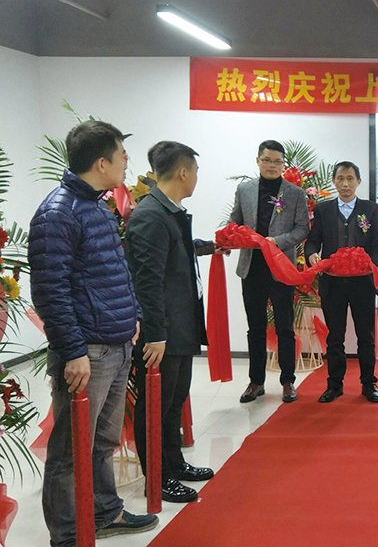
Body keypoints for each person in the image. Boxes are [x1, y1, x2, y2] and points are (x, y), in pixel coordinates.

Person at [29, 121, 158, 546]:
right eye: (122, 155)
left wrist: (133, 316)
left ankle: (104, 513)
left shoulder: (97, 207)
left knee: (102, 441)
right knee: (70, 450)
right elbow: (50, 291)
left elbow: (116, 271)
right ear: (102, 163)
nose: (127, 163)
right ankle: (67, 534)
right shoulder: (58, 213)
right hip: (89, 351)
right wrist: (73, 351)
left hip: (117, 344)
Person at [126, 141, 221, 503]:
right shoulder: (150, 215)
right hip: (162, 331)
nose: (196, 178)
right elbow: (147, 281)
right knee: (156, 405)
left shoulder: (169, 211)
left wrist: (211, 246)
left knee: (174, 400)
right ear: (183, 172)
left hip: (180, 324)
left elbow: (176, 251)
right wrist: (155, 334)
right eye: (195, 171)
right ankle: (158, 477)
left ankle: (174, 464)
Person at [229, 140, 310, 404]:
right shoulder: (245, 189)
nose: (272, 166)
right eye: (267, 160)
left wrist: (278, 241)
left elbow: (302, 229)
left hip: (281, 268)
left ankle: (288, 381)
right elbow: (234, 221)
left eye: (277, 161)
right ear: (258, 161)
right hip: (252, 267)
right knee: (255, 328)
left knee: (285, 327)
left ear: (283, 164)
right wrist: (227, 238)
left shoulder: (295, 193)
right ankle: (256, 382)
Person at [306, 161, 378, 403]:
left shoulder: (370, 209)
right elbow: (313, 240)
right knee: (335, 337)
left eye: (350, 179)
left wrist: (370, 263)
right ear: (334, 181)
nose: (345, 184)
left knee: (366, 337)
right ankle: (334, 385)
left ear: (358, 182)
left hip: (362, 283)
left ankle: (369, 384)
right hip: (333, 283)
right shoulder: (323, 210)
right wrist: (312, 254)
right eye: (340, 178)